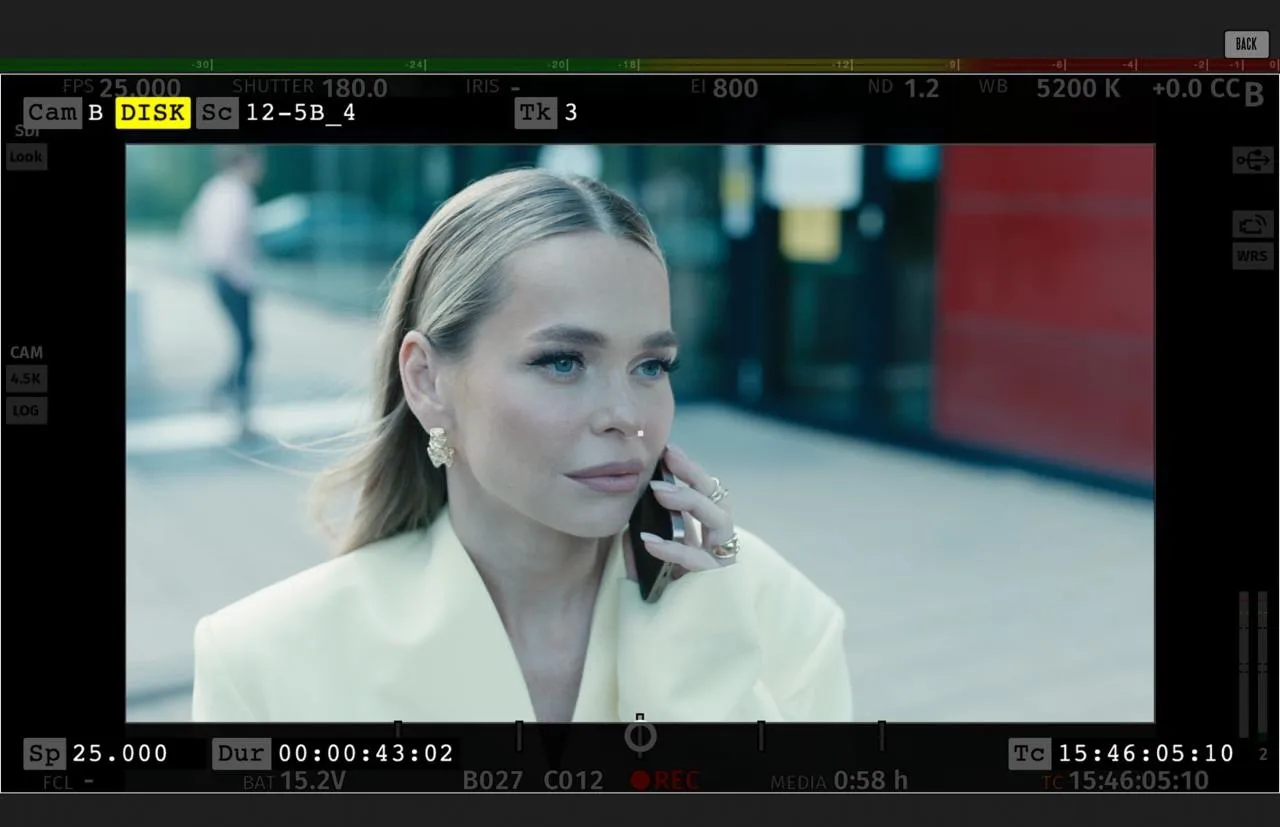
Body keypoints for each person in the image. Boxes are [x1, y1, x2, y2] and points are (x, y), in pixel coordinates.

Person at [191, 168, 852, 723]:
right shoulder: (263, 660)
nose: (627, 416)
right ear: (426, 380)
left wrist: (701, 659)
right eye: (563, 361)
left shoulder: (777, 613)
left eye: (652, 366)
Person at [186, 146, 264, 438]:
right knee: (247, 343)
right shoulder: (238, 194)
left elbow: (194, 227)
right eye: (257, 162)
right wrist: (242, 277)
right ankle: (237, 403)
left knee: (245, 342)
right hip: (234, 277)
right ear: (243, 162)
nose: (260, 168)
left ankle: (224, 394)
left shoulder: (213, 190)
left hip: (219, 275)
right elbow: (231, 240)